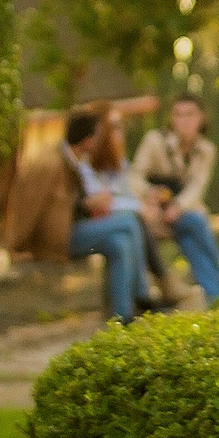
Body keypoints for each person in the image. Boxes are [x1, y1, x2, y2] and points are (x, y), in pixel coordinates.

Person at [132, 96, 219, 304]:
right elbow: (134, 177)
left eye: (190, 114)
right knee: (196, 224)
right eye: (178, 114)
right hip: (154, 215)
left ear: (202, 118)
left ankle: (216, 296)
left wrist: (178, 206)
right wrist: (151, 194)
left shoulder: (206, 150)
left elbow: (197, 187)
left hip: (183, 214)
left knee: (191, 235)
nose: (184, 120)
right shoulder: (155, 141)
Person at [64, 105, 149, 320]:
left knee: (119, 244)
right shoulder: (59, 162)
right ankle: (142, 293)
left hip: (76, 228)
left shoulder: (75, 160)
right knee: (130, 223)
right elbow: (51, 207)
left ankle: (122, 318)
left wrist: (86, 203)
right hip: (62, 237)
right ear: (87, 139)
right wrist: (85, 204)